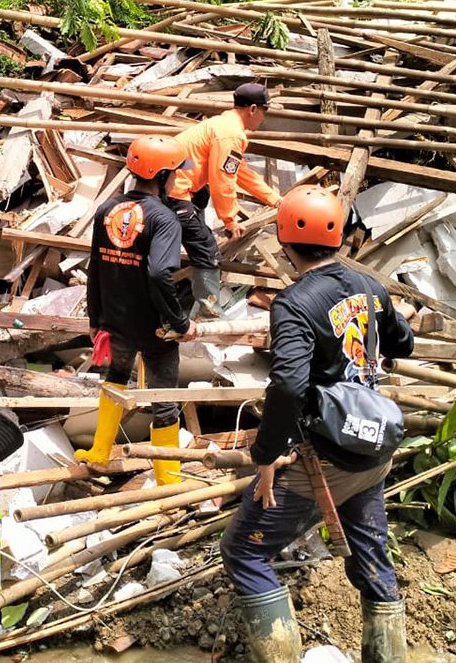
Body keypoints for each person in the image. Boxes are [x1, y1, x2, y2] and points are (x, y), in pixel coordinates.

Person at [219, 185, 414, 663]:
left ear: (285, 241)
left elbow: (286, 386)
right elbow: (402, 344)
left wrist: (264, 458)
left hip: (323, 460)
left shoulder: (294, 303)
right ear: (342, 237)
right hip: (372, 450)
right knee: (372, 560)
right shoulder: (369, 286)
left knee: (243, 552)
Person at [77, 135, 197, 485]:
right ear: (161, 175)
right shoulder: (164, 219)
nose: (177, 178)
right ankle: (169, 479)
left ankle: (99, 452)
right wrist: (179, 320)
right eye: (174, 172)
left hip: (115, 322)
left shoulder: (107, 210)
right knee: (164, 397)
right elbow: (160, 273)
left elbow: (95, 266)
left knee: (114, 381)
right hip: (155, 327)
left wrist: (94, 319)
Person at [167, 82, 282, 316]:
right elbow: (222, 178)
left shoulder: (224, 124)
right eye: (264, 111)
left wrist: (275, 200)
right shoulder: (230, 133)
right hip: (175, 191)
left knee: (203, 196)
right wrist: (230, 220)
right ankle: (208, 311)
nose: (263, 118)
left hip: (180, 184)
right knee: (207, 250)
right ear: (252, 109)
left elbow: (239, 171)